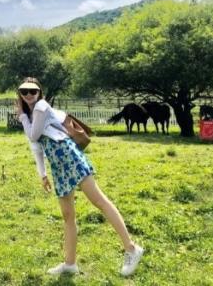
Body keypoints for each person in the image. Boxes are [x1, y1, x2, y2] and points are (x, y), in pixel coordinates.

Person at [17, 77, 144, 278]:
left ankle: (132, 248)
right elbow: (36, 147)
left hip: (68, 155)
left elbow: (33, 135)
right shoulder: (31, 117)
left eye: (33, 91)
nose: (29, 95)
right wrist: (43, 175)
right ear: (20, 94)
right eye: (24, 91)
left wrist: (22, 117)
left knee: (99, 201)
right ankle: (70, 264)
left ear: (39, 92)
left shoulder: (41, 107)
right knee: (68, 215)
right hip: (57, 166)